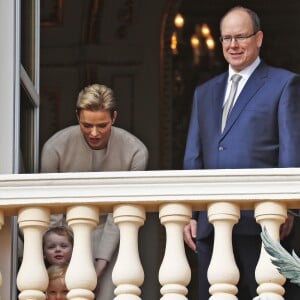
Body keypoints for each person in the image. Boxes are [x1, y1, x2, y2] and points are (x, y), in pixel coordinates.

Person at [183, 6, 300, 300]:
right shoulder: (205, 92)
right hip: (211, 222)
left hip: (262, 221)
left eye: (240, 37)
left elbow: (290, 151)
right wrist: (189, 211)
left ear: (258, 39)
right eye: (226, 39)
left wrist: (286, 207)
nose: (233, 45)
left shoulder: (283, 83)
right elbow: (193, 158)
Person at [40, 83, 149, 300]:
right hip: (65, 235)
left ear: (114, 118)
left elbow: (122, 212)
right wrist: (57, 251)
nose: (94, 133)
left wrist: (101, 263)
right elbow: (51, 207)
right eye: (86, 125)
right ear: (77, 117)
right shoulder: (55, 147)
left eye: (102, 125)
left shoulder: (136, 151)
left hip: (112, 236)